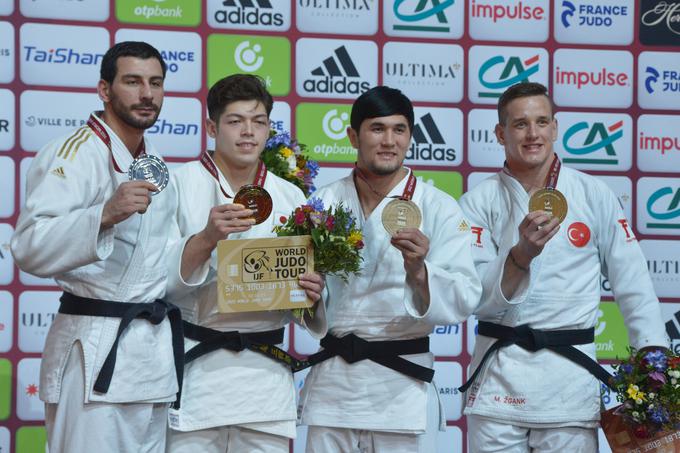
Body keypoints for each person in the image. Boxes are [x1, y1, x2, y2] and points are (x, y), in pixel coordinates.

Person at [458, 82, 670, 452]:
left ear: (555, 128)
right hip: (498, 383)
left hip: (568, 384)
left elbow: (633, 285)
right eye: (520, 124)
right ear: (500, 132)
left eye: (542, 122)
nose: (533, 134)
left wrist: (655, 361)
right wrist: (519, 256)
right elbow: (474, 296)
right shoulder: (478, 202)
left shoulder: (594, 195)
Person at [11, 41, 182, 452]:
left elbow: (161, 261)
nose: (147, 94)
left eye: (155, 83)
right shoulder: (74, 153)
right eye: (133, 82)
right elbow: (29, 246)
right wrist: (103, 214)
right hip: (94, 351)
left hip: (151, 359)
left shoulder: (155, 162)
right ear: (104, 90)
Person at [297, 86, 482, 453]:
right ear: (353, 136)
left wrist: (420, 271)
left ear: (411, 137)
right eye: (377, 128)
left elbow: (465, 296)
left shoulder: (438, 207)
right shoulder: (321, 204)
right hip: (335, 385)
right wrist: (308, 295)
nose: (389, 140)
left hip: (402, 387)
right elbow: (302, 297)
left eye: (399, 130)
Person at [164, 74, 327, 453]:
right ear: (211, 127)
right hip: (195, 370)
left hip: (264, 379)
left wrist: (313, 295)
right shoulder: (179, 184)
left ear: (270, 128)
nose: (248, 132)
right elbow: (160, 282)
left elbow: (300, 301)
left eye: (258, 122)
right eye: (235, 121)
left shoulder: (290, 195)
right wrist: (206, 239)